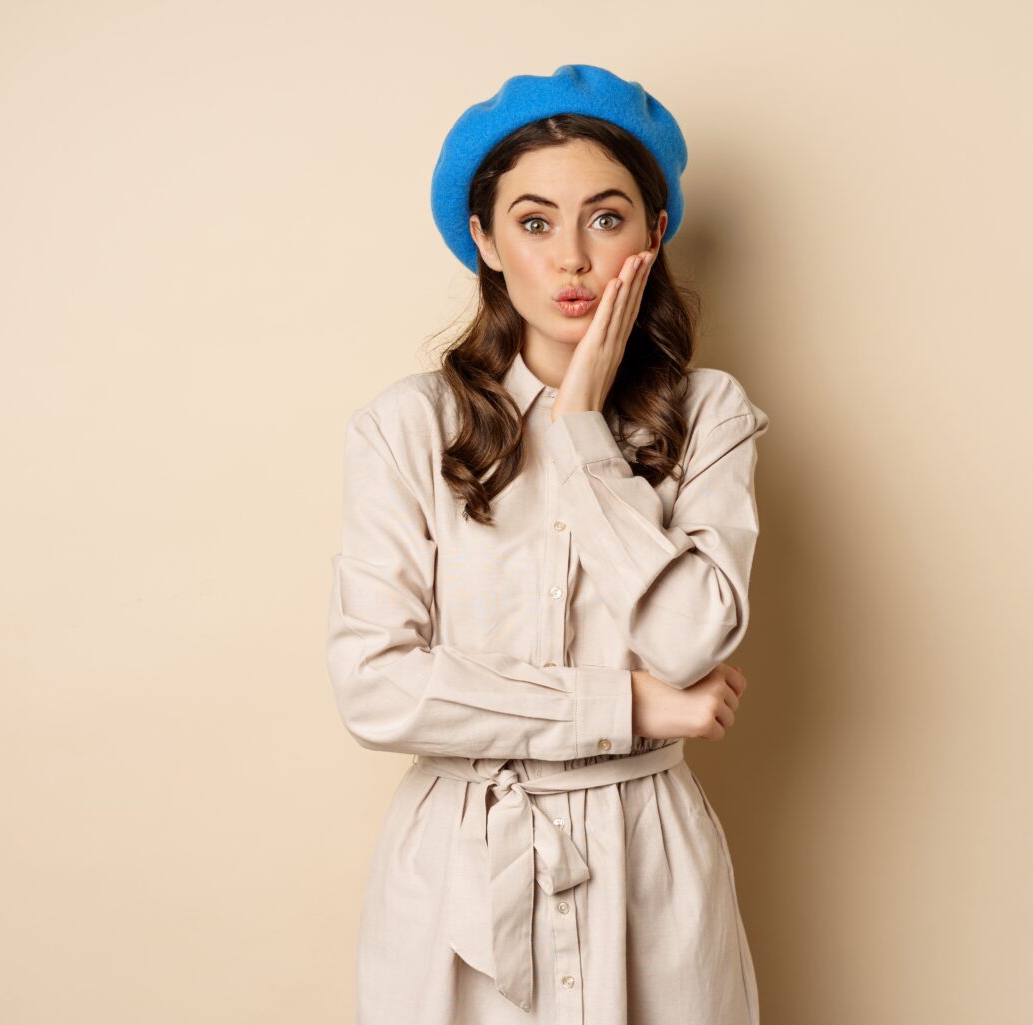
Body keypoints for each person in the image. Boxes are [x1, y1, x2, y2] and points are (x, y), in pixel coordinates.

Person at [326, 64, 768, 1024]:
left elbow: (692, 639)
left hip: (649, 860)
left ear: (654, 233)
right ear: (485, 240)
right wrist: (625, 703)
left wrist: (580, 432)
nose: (572, 258)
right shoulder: (407, 429)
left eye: (606, 218)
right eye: (534, 222)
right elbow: (376, 684)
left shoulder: (711, 414)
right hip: (457, 872)